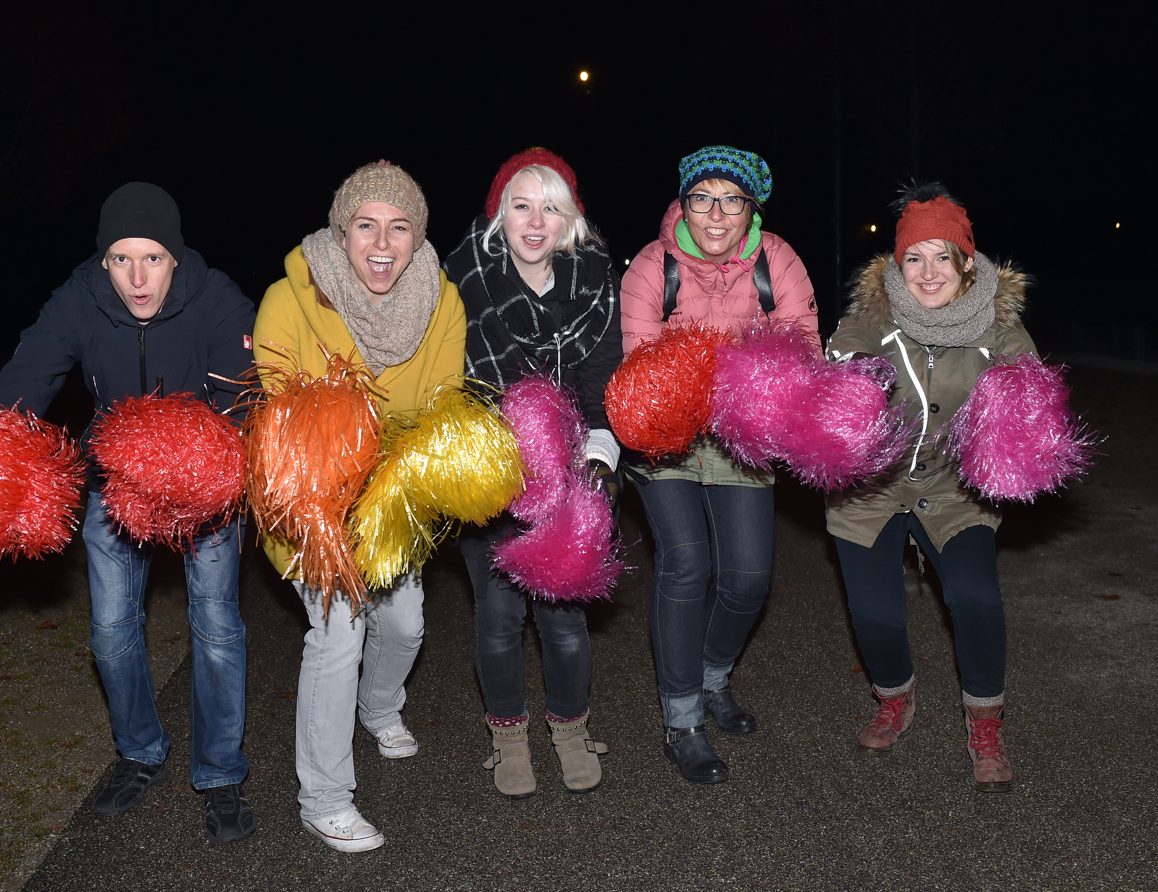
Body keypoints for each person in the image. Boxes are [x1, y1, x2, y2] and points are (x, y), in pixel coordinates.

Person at [0, 182, 259, 843]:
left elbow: (248, 400)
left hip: (203, 483)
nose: (138, 278)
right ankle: (140, 750)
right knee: (110, 633)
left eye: (153, 259)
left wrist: (192, 455)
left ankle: (220, 773)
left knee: (217, 628)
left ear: (176, 256)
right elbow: (30, 372)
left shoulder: (217, 298)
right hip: (112, 479)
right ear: (102, 262)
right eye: (121, 261)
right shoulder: (78, 300)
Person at [253, 161, 465, 852]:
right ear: (342, 232)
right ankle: (324, 797)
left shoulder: (444, 302)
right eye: (366, 225)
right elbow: (282, 416)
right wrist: (333, 505)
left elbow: (440, 408)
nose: (382, 241)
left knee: (403, 626)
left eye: (399, 227)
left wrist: (393, 495)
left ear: (417, 236)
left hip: (393, 499)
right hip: (311, 502)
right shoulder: (290, 297)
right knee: (337, 637)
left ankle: (380, 708)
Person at [620, 145, 819, 784]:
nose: (716, 214)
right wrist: (697, 390)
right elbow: (640, 365)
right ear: (684, 203)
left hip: (744, 434)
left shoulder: (776, 258)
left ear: (749, 208)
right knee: (686, 563)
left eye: (732, 200)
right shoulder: (653, 266)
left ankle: (710, 678)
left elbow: (801, 343)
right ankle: (682, 721)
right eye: (703, 197)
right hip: (669, 437)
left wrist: (762, 398)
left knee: (748, 579)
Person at [825, 183, 1032, 792]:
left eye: (943, 256)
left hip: (953, 489)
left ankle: (986, 724)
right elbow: (843, 360)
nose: (928, 271)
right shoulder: (870, 319)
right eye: (914, 258)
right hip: (873, 488)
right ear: (896, 266)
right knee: (876, 615)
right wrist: (852, 387)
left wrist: (1022, 410)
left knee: (976, 599)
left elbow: (1030, 388)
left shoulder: (998, 327)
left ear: (967, 262)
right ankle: (896, 697)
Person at [443, 148, 621, 799]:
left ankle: (571, 730)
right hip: (489, 474)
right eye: (522, 205)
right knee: (497, 618)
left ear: (570, 218)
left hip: (574, 470)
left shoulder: (597, 284)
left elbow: (601, 384)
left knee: (564, 622)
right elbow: (445, 384)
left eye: (552, 206)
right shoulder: (459, 285)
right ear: (499, 216)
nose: (536, 220)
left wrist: (597, 461)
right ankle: (509, 737)